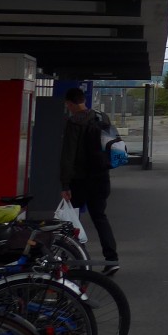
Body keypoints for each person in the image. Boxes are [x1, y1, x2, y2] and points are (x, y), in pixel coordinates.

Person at [60, 88, 119, 274]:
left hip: (80, 180)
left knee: (72, 219)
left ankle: (77, 258)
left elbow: (68, 155)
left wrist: (65, 184)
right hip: (101, 177)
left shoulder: (74, 122)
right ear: (83, 100)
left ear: (70, 103)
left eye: (67, 105)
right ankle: (112, 259)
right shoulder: (102, 117)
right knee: (100, 217)